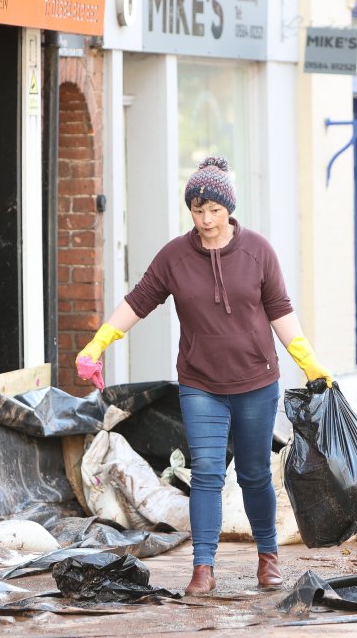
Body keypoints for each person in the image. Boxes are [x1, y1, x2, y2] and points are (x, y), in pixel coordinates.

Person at [75, 156, 332, 595]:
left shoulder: (258, 252)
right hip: (200, 385)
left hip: (255, 382)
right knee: (208, 473)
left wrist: (308, 361)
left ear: (228, 208)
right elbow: (138, 301)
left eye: (214, 210)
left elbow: (281, 312)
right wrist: (98, 342)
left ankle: (268, 558)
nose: (206, 219)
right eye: (197, 211)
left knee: (253, 473)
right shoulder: (175, 256)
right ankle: (203, 567)